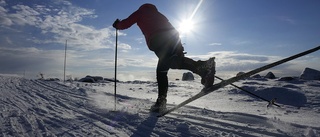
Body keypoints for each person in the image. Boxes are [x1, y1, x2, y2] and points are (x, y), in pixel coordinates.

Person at [112, 3, 215, 112]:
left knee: (166, 68)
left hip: (158, 40)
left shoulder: (141, 12)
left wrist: (117, 25)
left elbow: (126, 23)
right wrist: (179, 46)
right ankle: (205, 70)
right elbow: (174, 30)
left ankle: (204, 69)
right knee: (168, 67)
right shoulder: (160, 15)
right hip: (172, 38)